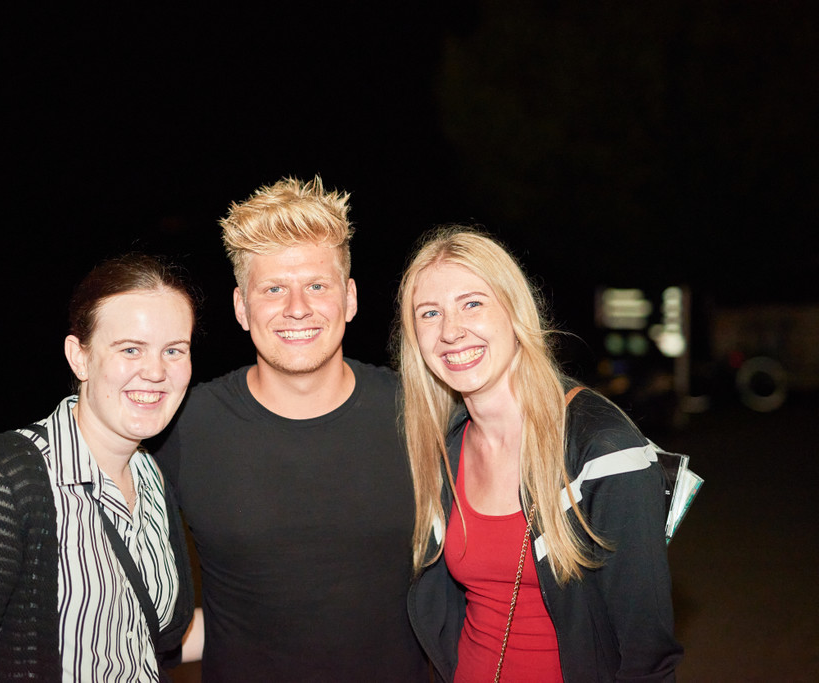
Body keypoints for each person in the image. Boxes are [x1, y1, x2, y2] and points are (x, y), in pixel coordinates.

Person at [152, 177, 428, 682]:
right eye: (274, 288)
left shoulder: (418, 414)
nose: (297, 307)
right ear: (241, 307)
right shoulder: (183, 426)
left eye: (317, 286)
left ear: (349, 298)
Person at [397, 226, 683, 682]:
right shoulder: (443, 448)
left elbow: (647, 657)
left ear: (514, 311)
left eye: (472, 303)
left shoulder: (602, 449)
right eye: (430, 313)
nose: (451, 331)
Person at [0, 253, 201, 681]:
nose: (156, 371)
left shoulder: (152, 479)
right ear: (79, 357)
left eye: (174, 350)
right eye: (130, 349)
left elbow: (137, 640)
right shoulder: (5, 478)